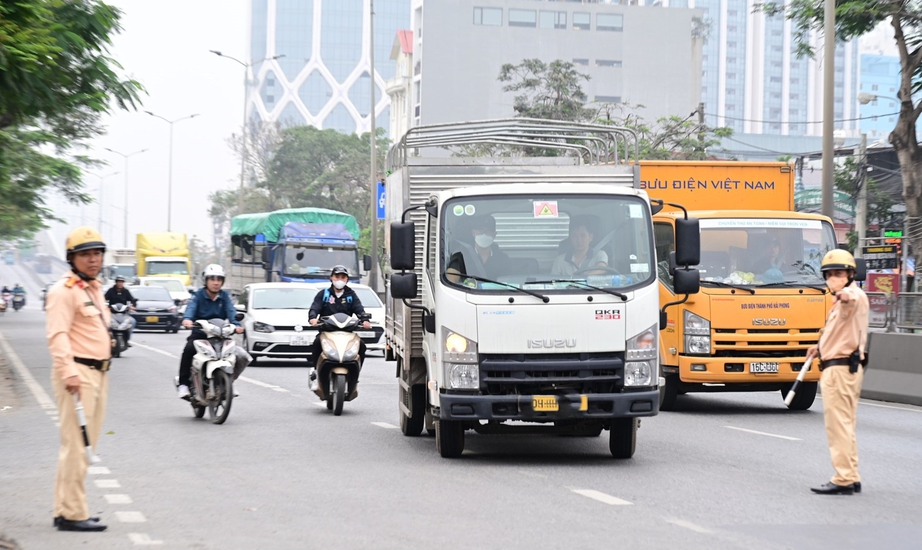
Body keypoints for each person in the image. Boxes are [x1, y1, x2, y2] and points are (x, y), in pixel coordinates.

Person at [45, 227, 112, 532]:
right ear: (72, 258)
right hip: (78, 374)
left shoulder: (93, 288)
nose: (93, 259)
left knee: (82, 443)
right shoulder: (64, 291)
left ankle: (65, 509)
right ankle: (73, 514)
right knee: (77, 445)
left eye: (97, 253)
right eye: (85, 254)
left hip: (98, 373)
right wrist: (69, 372)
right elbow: (57, 335)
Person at [805, 249, 869, 496]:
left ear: (851, 274)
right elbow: (838, 332)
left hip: (840, 370)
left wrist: (843, 294)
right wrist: (819, 348)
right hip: (842, 367)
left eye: (839, 273)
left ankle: (843, 478)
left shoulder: (853, 295)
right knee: (846, 424)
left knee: (838, 426)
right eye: (830, 274)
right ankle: (851, 475)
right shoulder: (838, 304)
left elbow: (851, 299)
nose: (834, 278)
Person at [176, 264, 245, 399]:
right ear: (206, 280)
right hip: (200, 334)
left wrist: (237, 325)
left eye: (219, 279)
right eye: (212, 279)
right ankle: (183, 384)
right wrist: (187, 320)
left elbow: (231, 312)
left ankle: (229, 381)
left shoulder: (225, 297)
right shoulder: (198, 295)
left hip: (221, 335)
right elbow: (191, 308)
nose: (216, 282)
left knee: (240, 355)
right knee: (189, 349)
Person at [307, 265, 371, 375]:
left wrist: (365, 320)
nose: (340, 280)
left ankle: (355, 373)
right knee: (317, 344)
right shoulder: (324, 294)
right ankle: (316, 371)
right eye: (337, 277)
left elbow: (359, 309)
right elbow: (315, 307)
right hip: (327, 331)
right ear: (331, 278)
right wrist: (313, 318)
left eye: (343, 277)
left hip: (347, 332)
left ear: (347, 279)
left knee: (361, 346)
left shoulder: (351, 295)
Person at [447, 214, 511, 281]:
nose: (484, 235)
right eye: (480, 231)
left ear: (494, 234)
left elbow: (507, 282)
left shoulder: (503, 259)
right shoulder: (461, 256)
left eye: (488, 232)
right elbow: (451, 280)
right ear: (473, 232)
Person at [104, 276, 137, 344]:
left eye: (122, 282)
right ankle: (107, 339)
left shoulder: (126, 291)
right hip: (112, 313)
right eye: (119, 282)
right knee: (104, 322)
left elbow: (132, 300)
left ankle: (127, 339)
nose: (120, 283)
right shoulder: (110, 291)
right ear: (116, 282)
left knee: (133, 321)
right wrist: (105, 306)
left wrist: (133, 306)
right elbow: (103, 299)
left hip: (124, 314)